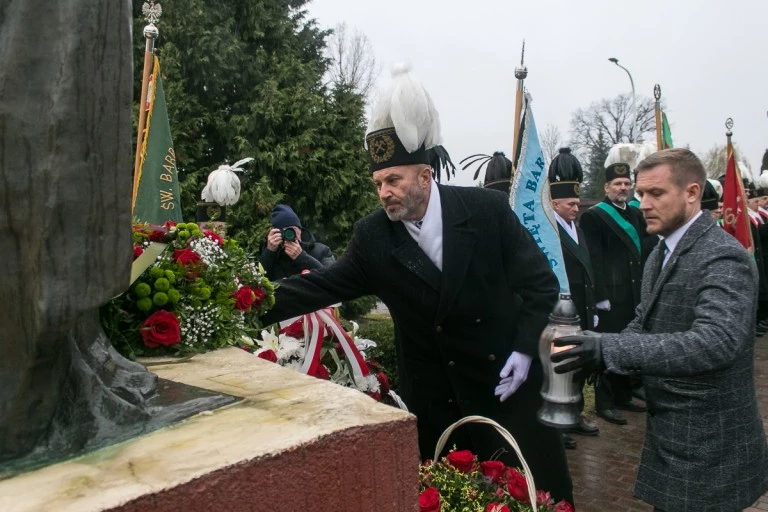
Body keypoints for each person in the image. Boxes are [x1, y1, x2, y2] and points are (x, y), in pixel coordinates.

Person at [261, 65, 573, 504]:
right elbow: (321, 286)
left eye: (393, 180)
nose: (383, 192)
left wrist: (524, 349)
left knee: (530, 496)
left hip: (507, 391)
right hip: (438, 406)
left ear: (424, 176)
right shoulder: (374, 237)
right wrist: (245, 300)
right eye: (377, 183)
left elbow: (541, 283)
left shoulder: (486, 212)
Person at [552, 148, 768, 512]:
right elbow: (643, 321)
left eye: (656, 193)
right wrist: (597, 350)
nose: (644, 204)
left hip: (710, 444)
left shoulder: (721, 254)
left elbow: (715, 343)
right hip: (671, 438)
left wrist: (609, 350)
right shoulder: (661, 252)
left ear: (692, 193)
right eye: (639, 194)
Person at [578, 163, 648, 425]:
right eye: (617, 184)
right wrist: (599, 295)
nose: (623, 188)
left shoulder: (635, 214)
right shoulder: (594, 216)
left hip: (633, 291)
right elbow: (592, 259)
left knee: (628, 345)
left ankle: (624, 394)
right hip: (612, 296)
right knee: (609, 347)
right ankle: (605, 402)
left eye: (626, 184)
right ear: (606, 187)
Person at [548, 148, 600, 450]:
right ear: (554, 203)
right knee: (559, 371)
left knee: (578, 367)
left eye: (577, 203)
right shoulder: (549, 233)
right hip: (560, 312)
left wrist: (594, 306)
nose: (576, 208)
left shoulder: (577, 230)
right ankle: (558, 424)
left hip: (582, 307)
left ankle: (575, 415)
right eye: (570, 203)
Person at [258, 204, 335, 281]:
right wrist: (269, 251)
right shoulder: (271, 255)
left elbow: (331, 279)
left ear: (300, 230)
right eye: (285, 230)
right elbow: (257, 281)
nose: (290, 234)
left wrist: (301, 257)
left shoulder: (322, 251)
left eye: (293, 229)